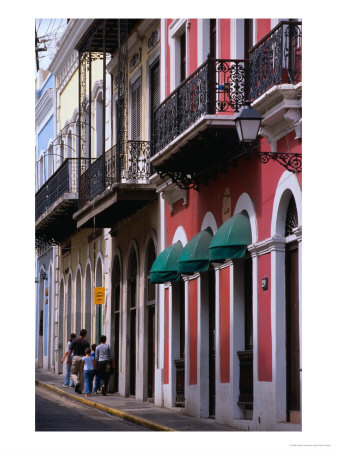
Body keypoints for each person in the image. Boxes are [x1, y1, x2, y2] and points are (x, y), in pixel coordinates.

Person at [67, 328, 90, 394]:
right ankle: (80, 390)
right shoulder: (86, 342)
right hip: (83, 357)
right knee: (81, 374)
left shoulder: (74, 341)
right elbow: (88, 352)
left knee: (73, 373)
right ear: (85, 335)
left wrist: (68, 358)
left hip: (76, 357)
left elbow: (70, 350)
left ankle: (76, 382)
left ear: (79, 334)